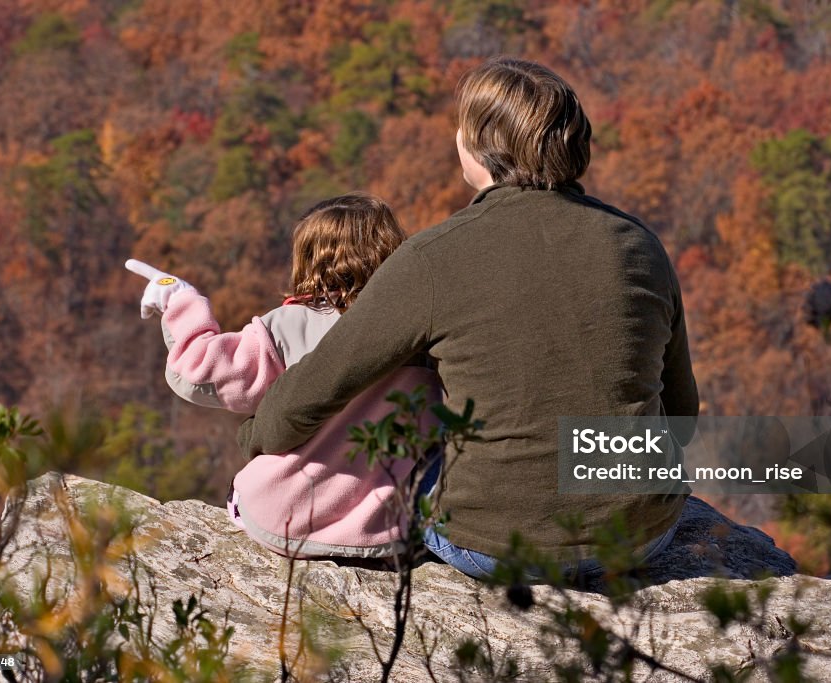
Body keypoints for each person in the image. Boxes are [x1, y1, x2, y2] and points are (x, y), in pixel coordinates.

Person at [238, 57, 699, 580]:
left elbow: (310, 394)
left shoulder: (433, 257)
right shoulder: (641, 247)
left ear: (477, 146)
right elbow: (681, 416)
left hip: (492, 546)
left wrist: (253, 438)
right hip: (642, 535)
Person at [126, 193, 441, 559]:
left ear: (308, 258)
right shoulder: (422, 330)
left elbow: (198, 373)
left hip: (280, 515)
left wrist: (179, 300)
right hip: (382, 527)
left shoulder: (290, 325)